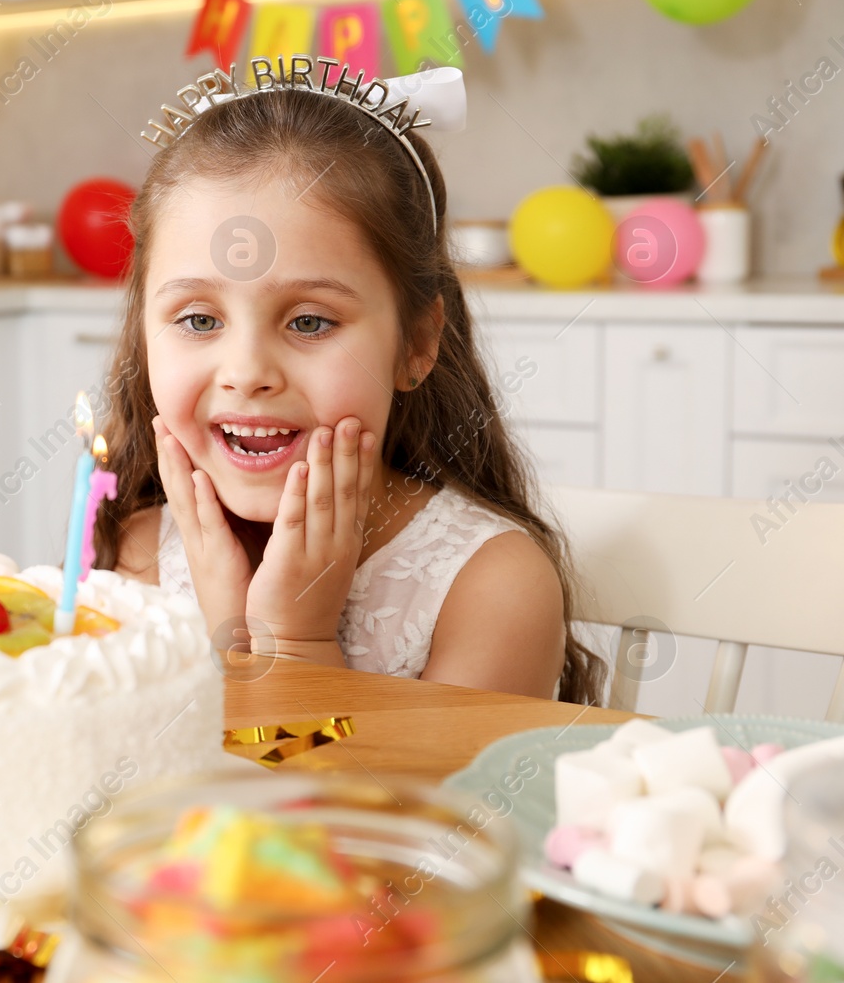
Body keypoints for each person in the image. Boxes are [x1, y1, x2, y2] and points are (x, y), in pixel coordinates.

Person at [92, 60, 604, 704]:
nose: (247, 373)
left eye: (309, 321)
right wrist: (223, 631)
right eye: (199, 319)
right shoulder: (135, 551)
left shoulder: (489, 587)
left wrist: (294, 641)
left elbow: (393, 808)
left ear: (416, 342)